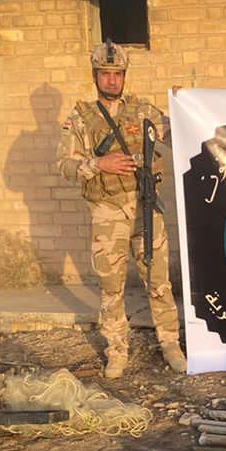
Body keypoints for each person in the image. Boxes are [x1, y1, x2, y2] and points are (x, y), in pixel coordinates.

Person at [56, 41, 187, 377]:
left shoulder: (143, 112)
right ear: (95, 76)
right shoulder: (80, 118)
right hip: (108, 212)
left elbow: (179, 135)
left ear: (124, 76)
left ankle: (170, 343)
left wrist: (185, 105)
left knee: (159, 282)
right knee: (111, 287)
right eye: (105, 74)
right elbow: (64, 166)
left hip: (146, 206)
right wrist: (98, 164)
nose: (112, 80)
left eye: (117, 74)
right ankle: (117, 350)